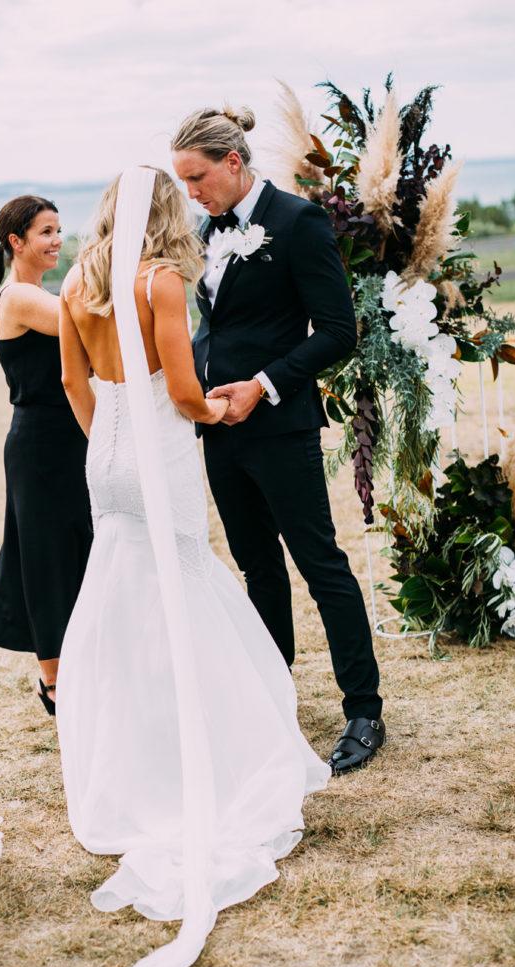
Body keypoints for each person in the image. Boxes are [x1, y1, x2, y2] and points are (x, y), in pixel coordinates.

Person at [0, 166, 330, 967]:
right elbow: (184, 388)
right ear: (165, 214)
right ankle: (208, 746)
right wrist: (222, 410)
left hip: (105, 455)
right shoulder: (159, 281)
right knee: (186, 583)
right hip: (158, 446)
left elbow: (70, 384)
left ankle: (133, 746)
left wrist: (110, 442)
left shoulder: (83, 280)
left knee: (122, 593)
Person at [171, 106, 386, 774]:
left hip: (280, 424)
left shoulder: (297, 222)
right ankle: (270, 696)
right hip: (218, 431)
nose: (192, 193)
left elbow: (336, 330)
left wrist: (260, 385)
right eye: (182, 183)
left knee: (319, 564)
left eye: (198, 177)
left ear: (233, 163)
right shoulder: (204, 228)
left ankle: (364, 711)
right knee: (254, 566)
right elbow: (215, 322)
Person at [0, 196, 92, 715]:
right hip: (40, 445)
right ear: (15, 242)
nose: (57, 240)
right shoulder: (19, 298)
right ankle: (54, 681)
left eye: (59, 230)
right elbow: (84, 320)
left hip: (70, 438)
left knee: (81, 549)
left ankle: (86, 664)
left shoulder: (41, 292)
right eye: (46, 232)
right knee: (45, 559)